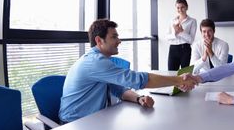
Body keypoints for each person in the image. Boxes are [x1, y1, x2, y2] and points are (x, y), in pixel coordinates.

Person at [59, 19, 198, 123]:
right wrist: (179, 80)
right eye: (114, 37)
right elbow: (138, 80)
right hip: (74, 124)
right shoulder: (95, 62)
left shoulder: (101, 61)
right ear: (99, 41)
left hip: (92, 120)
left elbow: (119, 90)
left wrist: (138, 98)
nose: (119, 41)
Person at [167, 0, 197, 70]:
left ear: (186, 7)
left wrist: (181, 31)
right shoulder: (172, 21)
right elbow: (167, 37)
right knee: (171, 73)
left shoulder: (192, 21)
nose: (180, 9)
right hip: (173, 49)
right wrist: (175, 33)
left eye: (182, 7)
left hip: (185, 49)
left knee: (185, 74)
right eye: (178, 7)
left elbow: (191, 40)